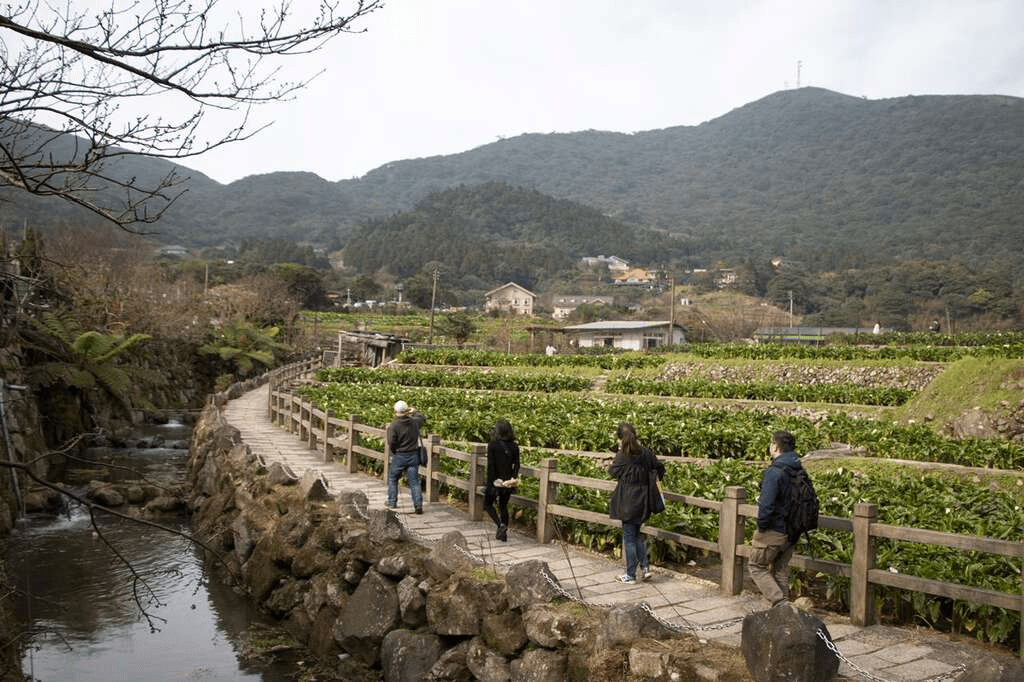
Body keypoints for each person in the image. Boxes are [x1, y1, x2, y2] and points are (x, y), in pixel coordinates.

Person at [749, 430, 805, 606]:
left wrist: (762, 527)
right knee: (780, 569)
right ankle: (783, 616)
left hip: (774, 530)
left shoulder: (774, 471)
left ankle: (781, 604)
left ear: (774, 445)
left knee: (756, 566)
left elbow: (767, 505)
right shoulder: (798, 469)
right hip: (792, 531)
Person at [608, 422, 665, 583]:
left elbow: (612, 472)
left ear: (620, 438)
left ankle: (630, 575)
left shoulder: (623, 455)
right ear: (635, 436)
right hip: (644, 499)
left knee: (629, 537)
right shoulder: (646, 453)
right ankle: (645, 568)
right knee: (636, 534)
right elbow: (660, 469)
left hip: (628, 499)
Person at [386, 400, 427, 514]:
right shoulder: (414, 422)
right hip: (413, 455)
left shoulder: (393, 425)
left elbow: (391, 442)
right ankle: (418, 505)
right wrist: (415, 411)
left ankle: (392, 501)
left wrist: (396, 452)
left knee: (393, 478)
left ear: (395, 412)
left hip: (400, 455)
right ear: (407, 411)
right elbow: (422, 417)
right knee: (414, 481)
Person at [484, 419, 520, 542]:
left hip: (495, 481)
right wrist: (513, 479)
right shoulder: (515, 446)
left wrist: (491, 482)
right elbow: (517, 465)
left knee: (487, 504)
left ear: (499, 431)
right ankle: (502, 534)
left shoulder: (493, 445)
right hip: (508, 481)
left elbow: (491, 465)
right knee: (503, 506)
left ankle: (501, 525)